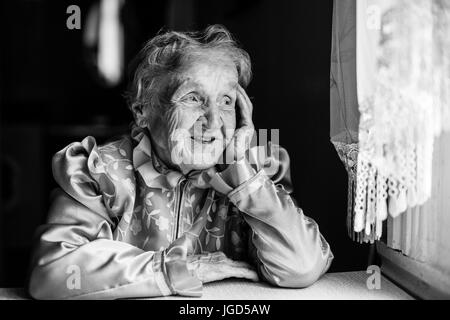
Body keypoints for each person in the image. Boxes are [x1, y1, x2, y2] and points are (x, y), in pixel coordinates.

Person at [28, 24, 333, 299]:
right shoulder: (99, 171)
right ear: (142, 111)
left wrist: (242, 173)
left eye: (226, 101)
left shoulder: (255, 172)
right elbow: (55, 274)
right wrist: (176, 269)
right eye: (192, 98)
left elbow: (302, 266)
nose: (213, 121)